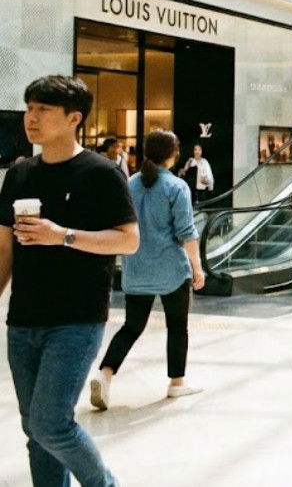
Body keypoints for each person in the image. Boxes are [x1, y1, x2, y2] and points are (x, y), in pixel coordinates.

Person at [0, 75, 139, 487]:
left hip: (76, 318)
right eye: (29, 108)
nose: (31, 118)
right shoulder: (18, 175)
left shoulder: (101, 173)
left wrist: (62, 235)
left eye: (43, 109)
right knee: (35, 431)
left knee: (51, 424)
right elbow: (4, 248)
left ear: (74, 118)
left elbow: (129, 240)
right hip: (23, 318)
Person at [91, 129, 205, 410]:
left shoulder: (129, 184)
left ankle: (105, 374)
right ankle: (176, 383)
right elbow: (186, 233)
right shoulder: (177, 187)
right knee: (177, 327)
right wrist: (198, 268)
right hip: (172, 270)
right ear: (174, 154)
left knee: (131, 327)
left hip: (136, 267)